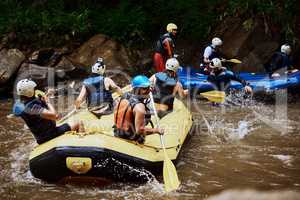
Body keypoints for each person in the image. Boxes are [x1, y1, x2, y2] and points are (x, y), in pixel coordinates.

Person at [12, 79, 80, 144]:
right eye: (34, 89)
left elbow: (34, 104)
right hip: (50, 135)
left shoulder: (22, 104)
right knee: (78, 123)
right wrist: (48, 102)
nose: (35, 90)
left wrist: (45, 96)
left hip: (40, 137)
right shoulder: (33, 108)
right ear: (30, 92)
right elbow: (55, 116)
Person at [114, 75, 164, 144]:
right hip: (129, 137)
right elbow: (140, 130)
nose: (148, 91)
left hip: (117, 132)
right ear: (136, 89)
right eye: (144, 88)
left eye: (149, 88)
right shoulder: (140, 107)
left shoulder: (124, 95)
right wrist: (156, 130)